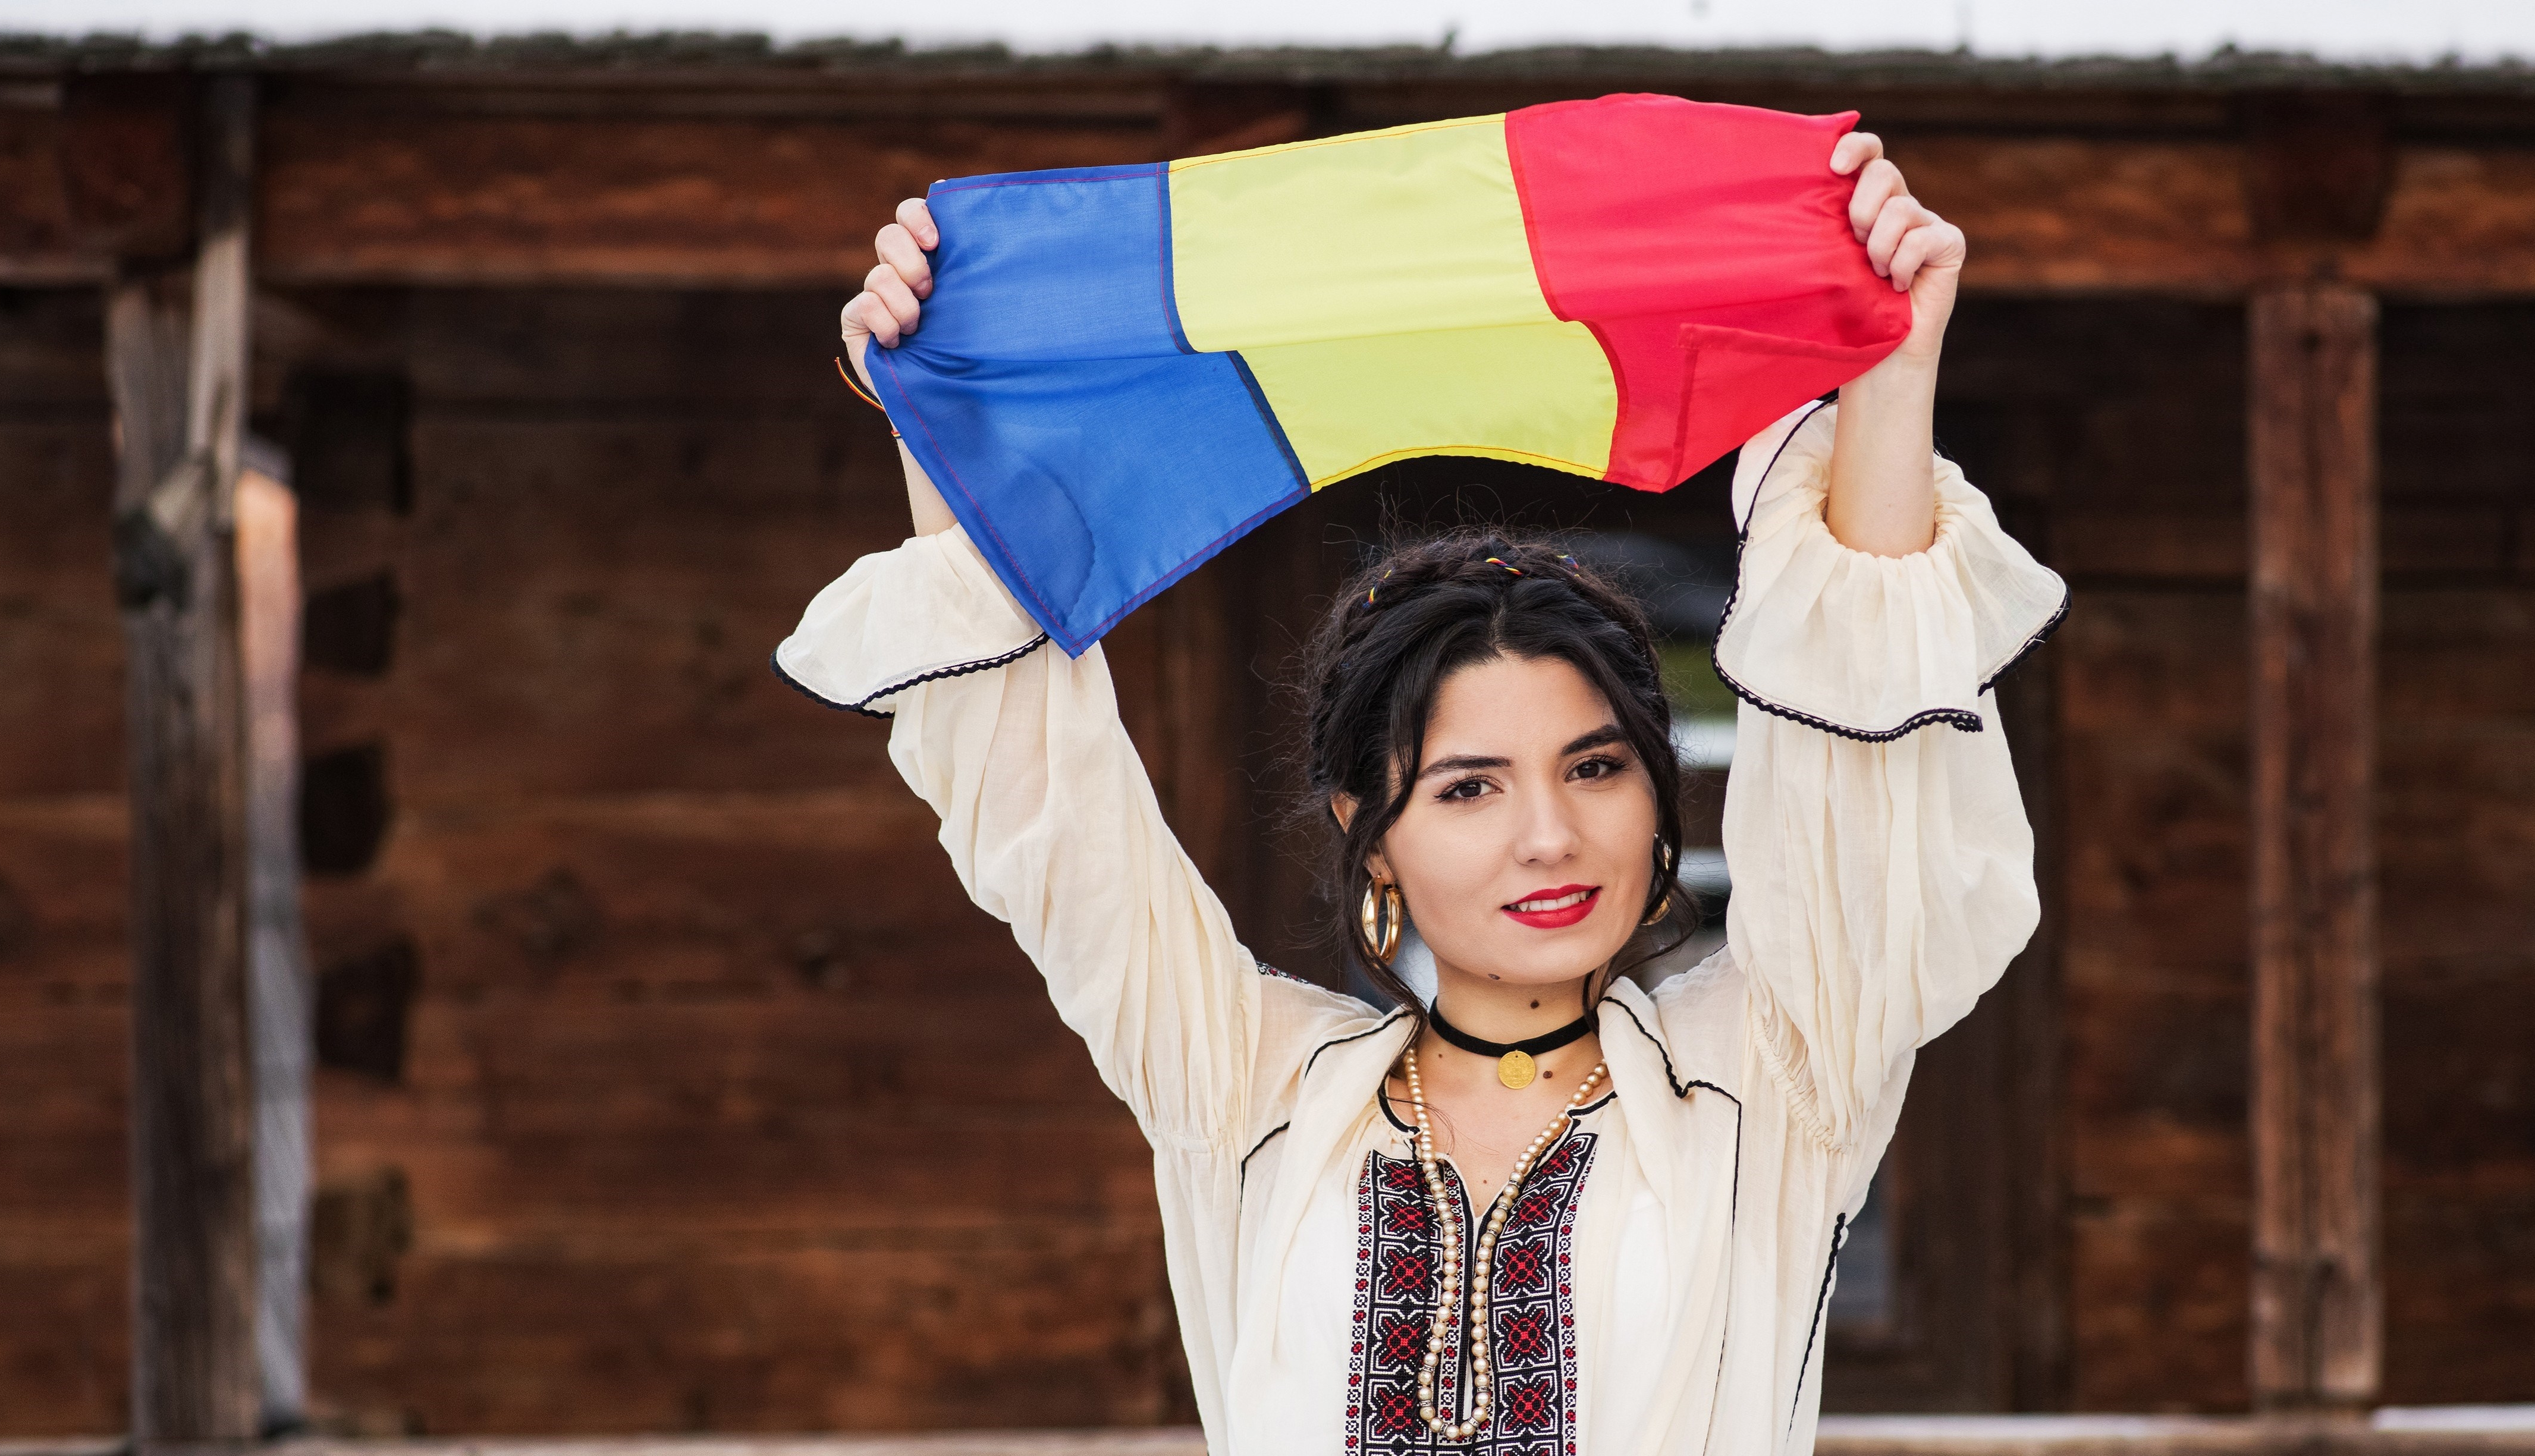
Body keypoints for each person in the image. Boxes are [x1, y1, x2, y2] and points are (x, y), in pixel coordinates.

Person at [786, 131, 2066, 1454]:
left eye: (1596, 766)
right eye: (1468, 789)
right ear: (1371, 837)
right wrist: (945, 422)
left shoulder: (1773, 1079)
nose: (1550, 835)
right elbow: (1044, 808)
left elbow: (1868, 803)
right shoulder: (1249, 1088)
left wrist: (1890, 371)